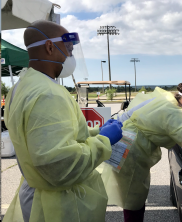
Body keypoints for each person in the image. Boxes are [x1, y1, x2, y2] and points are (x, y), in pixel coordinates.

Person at [3, 20, 123, 222]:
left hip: (39, 195)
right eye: (68, 49)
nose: (70, 56)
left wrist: (94, 133)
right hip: (56, 206)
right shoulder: (48, 94)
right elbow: (60, 165)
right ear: (50, 47)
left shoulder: (21, 87)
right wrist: (103, 141)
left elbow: (44, 138)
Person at [100, 70, 182, 221]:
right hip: (133, 152)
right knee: (133, 199)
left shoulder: (166, 99)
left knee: (133, 196)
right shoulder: (175, 113)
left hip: (127, 142)